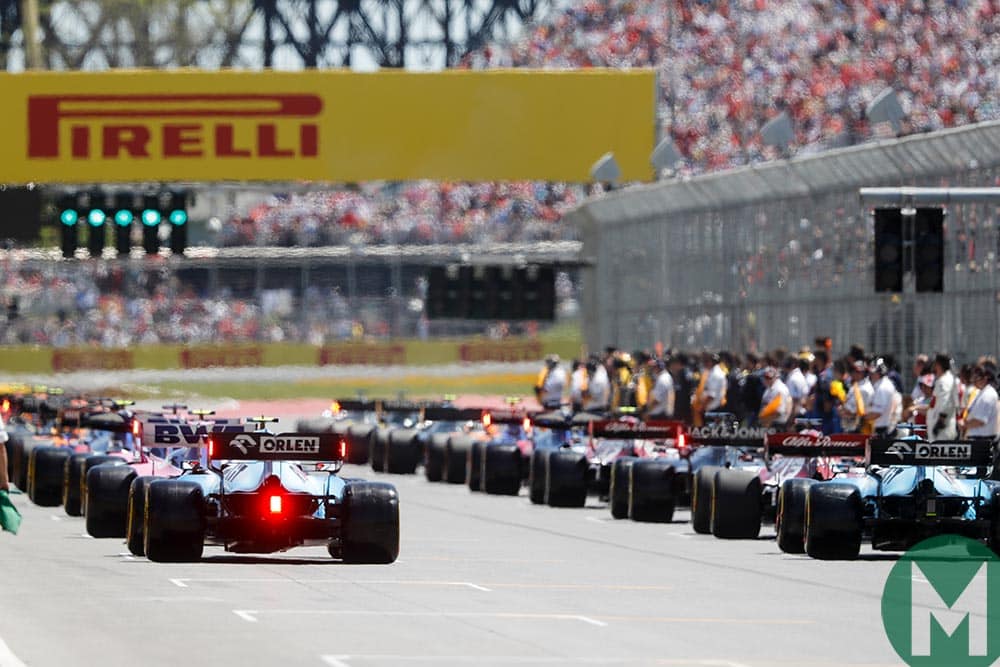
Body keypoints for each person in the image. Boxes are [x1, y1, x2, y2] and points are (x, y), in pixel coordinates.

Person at [927, 353, 959, 442]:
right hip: (941, 430)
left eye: (934, 363)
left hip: (942, 430)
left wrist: (940, 422)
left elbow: (946, 402)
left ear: (938, 365)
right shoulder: (943, 379)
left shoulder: (944, 381)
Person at [963, 365, 999, 439]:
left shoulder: (988, 395)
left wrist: (964, 425)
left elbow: (980, 420)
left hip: (982, 440)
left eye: (977, 378)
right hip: (977, 439)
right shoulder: (981, 392)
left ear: (985, 378)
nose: (974, 381)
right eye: (973, 378)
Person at [866, 358, 900, 436]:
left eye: (872, 373)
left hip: (883, 430)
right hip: (884, 429)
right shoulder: (883, 384)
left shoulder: (882, 388)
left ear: (879, 373)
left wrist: (861, 419)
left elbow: (877, 413)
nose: (870, 375)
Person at [839, 360, 874, 434]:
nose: (852, 373)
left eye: (856, 371)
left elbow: (852, 411)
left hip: (859, 428)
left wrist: (841, 409)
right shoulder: (856, 384)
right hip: (850, 426)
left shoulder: (865, 389)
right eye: (852, 371)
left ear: (863, 373)